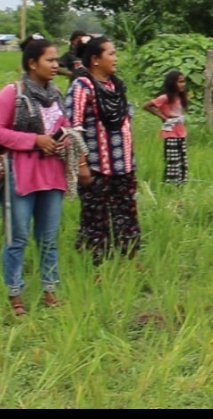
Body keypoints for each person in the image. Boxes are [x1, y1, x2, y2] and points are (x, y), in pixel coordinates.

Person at [0, 36, 78, 315]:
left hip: (52, 175)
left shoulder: (56, 95)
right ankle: (15, 295)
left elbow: (67, 126)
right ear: (31, 62)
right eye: (49, 60)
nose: (55, 65)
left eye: (55, 60)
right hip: (21, 175)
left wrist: (66, 140)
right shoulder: (12, 93)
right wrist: (35, 140)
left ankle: (50, 291)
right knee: (19, 237)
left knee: (48, 237)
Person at [65, 35, 141, 266]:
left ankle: (130, 256)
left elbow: (125, 123)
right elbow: (73, 128)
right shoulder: (81, 87)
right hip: (96, 167)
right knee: (95, 217)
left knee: (127, 212)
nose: (116, 58)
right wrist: (81, 165)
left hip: (123, 165)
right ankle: (96, 263)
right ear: (96, 59)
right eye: (111, 54)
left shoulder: (115, 85)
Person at [143, 70, 189, 185]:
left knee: (182, 160)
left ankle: (181, 182)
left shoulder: (179, 98)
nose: (183, 84)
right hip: (170, 133)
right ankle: (171, 184)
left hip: (180, 132)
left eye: (183, 82)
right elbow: (147, 106)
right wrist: (162, 117)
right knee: (173, 160)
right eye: (180, 82)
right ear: (172, 83)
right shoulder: (165, 97)